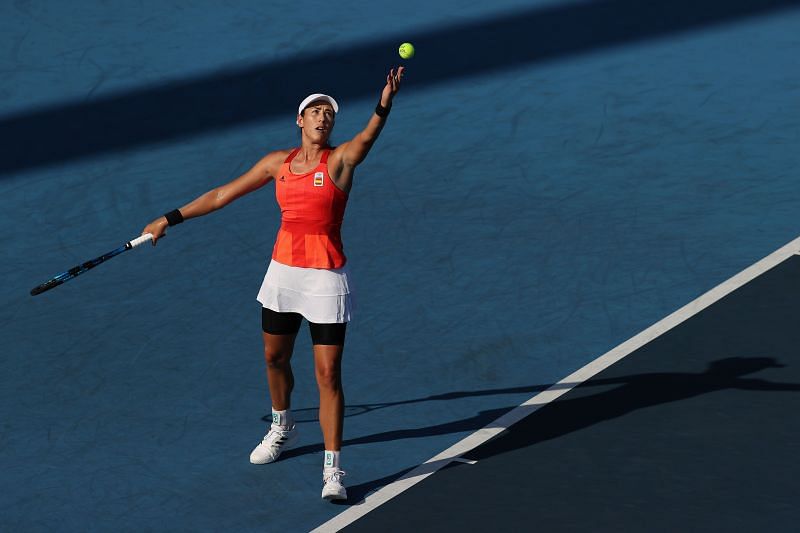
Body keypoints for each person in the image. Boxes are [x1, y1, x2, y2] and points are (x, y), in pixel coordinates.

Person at [141, 66, 405, 501]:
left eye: (329, 114)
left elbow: (366, 140)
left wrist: (384, 104)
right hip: (284, 272)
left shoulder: (339, 161)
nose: (324, 118)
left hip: (325, 277)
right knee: (273, 358)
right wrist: (168, 219)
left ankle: (332, 470)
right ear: (300, 120)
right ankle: (284, 426)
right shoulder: (274, 164)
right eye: (315, 112)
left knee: (328, 373)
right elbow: (222, 194)